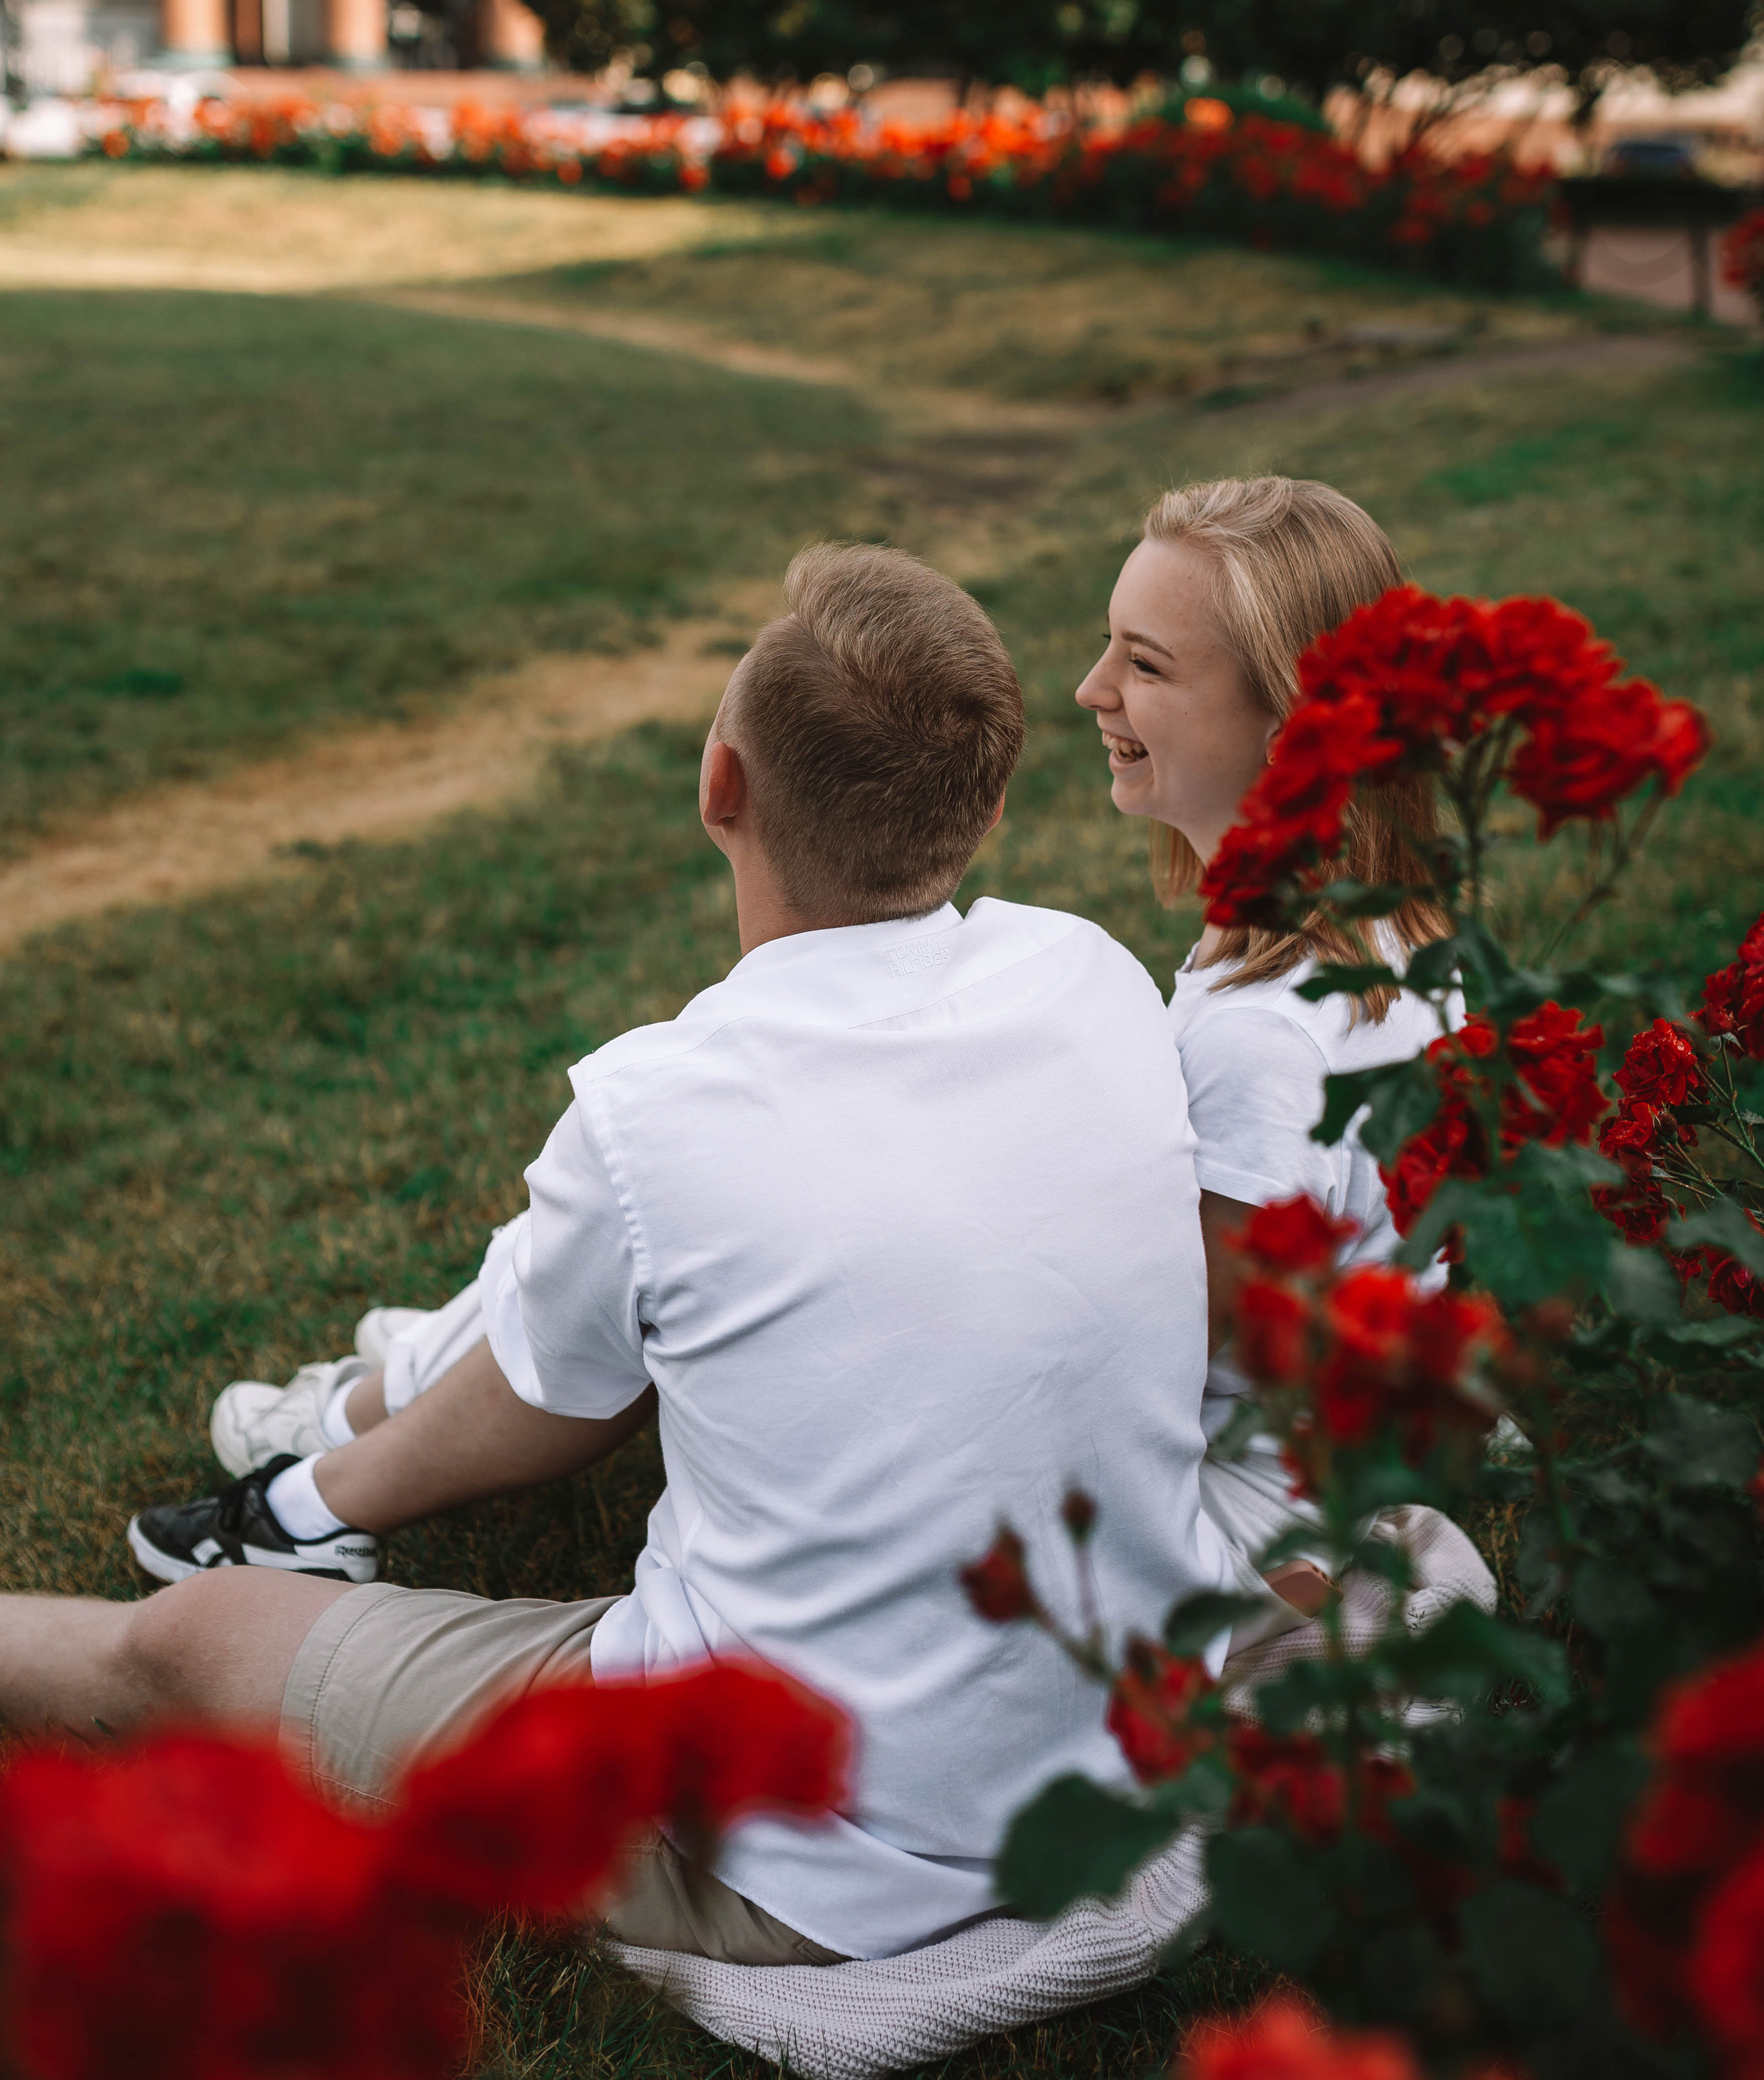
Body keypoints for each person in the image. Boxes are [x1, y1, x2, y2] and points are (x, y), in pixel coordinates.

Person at [0, 544, 1228, 1971]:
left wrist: (339, 1481)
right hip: (1118, 1755)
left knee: (188, 1644)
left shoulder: (655, 1112)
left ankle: (296, 1509)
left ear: (721, 790)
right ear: (989, 805)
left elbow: (540, 1411)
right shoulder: (1085, 972)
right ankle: (320, 1481)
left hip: (816, 1854)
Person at [1076, 474, 1455, 1627]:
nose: (1090, 688)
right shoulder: (1393, 928)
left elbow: (1169, 1373)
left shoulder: (1259, 1038)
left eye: (1145, 666)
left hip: (1244, 1523)